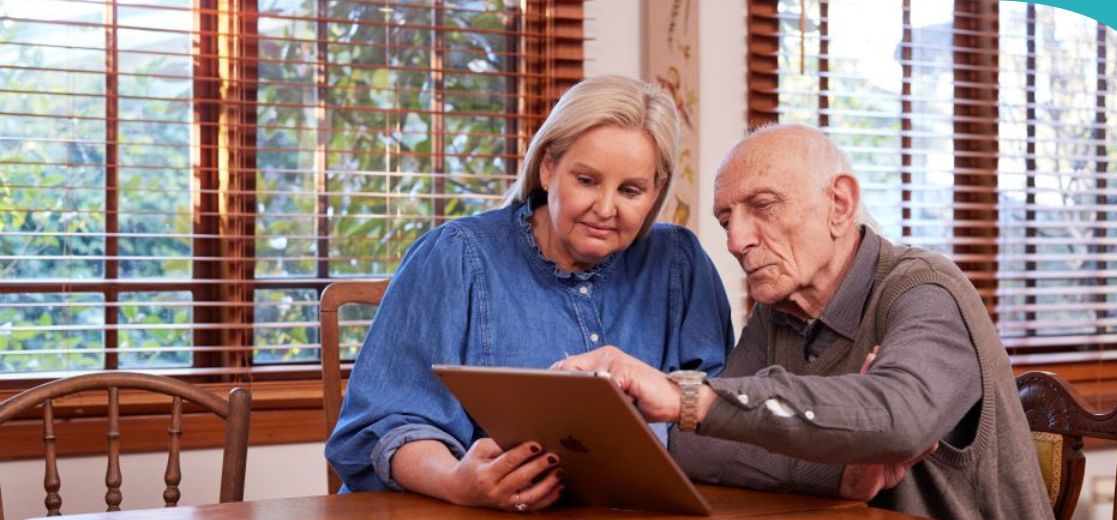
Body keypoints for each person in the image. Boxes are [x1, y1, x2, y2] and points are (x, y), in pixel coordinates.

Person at [554, 124, 1054, 519]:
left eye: (763, 206)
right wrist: (840, 475)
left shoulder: (924, 289)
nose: (736, 241)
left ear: (838, 204)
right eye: (727, 220)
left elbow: (901, 420)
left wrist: (690, 397)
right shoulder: (778, 312)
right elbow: (698, 446)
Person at [324, 75, 733, 513]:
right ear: (548, 166)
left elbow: (723, 412)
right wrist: (457, 481)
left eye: (630, 190)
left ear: (656, 191)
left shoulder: (679, 261)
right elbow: (381, 425)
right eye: (587, 180)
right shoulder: (457, 255)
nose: (606, 208)